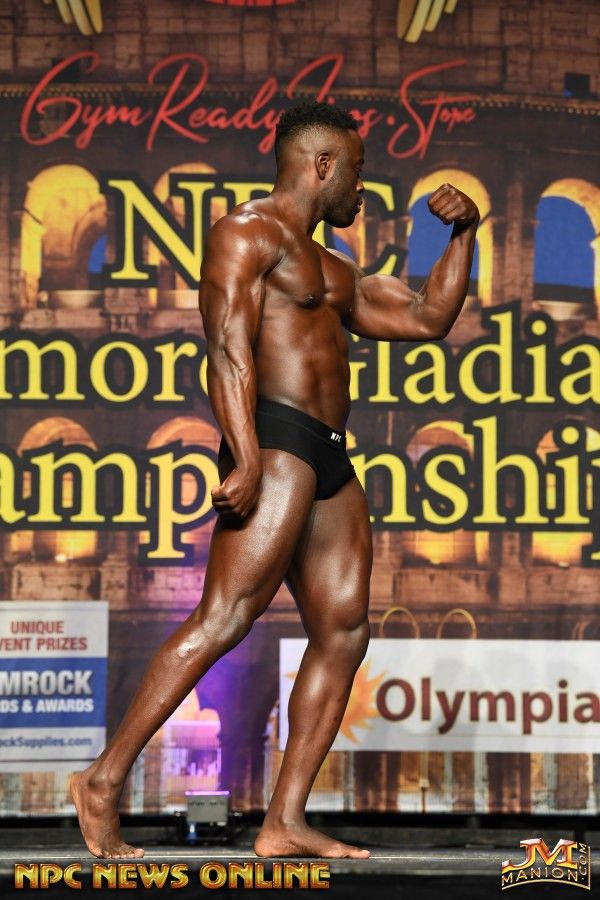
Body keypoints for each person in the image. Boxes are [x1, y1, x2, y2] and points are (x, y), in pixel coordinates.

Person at [71, 101, 479, 859]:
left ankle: (284, 819)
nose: (363, 186)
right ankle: (103, 779)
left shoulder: (336, 270)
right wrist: (246, 453)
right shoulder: (246, 232)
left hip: (329, 452)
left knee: (345, 631)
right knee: (226, 617)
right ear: (323, 164)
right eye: (357, 169)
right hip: (277, 436)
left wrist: (464, 235)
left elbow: (428, 318)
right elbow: (226, 347)